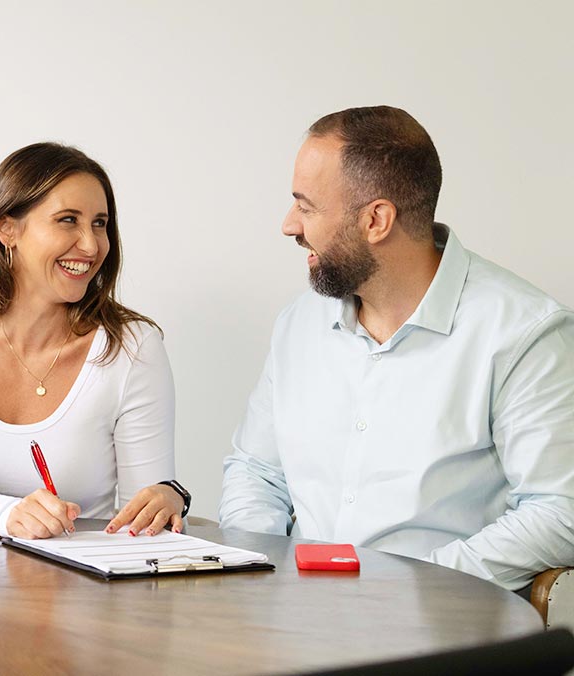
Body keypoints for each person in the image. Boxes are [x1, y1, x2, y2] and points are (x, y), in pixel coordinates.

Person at [219, 106, 574, 590]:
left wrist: (414, 590)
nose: (288, 224)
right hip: (296, 621)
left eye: (306, 206)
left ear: (376, 220)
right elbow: (256, 471)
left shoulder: (523, 333)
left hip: (444, 634)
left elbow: (559, 511)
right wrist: (263, 570)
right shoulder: (299, 324)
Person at [0, 142, 189, 540]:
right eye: (68, 220)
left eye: (100, 223)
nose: (91, 245)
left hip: (82, 591)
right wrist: (9, 515)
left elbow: (140, 522)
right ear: (7, 229)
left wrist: (164, 503)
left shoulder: (133, 347)